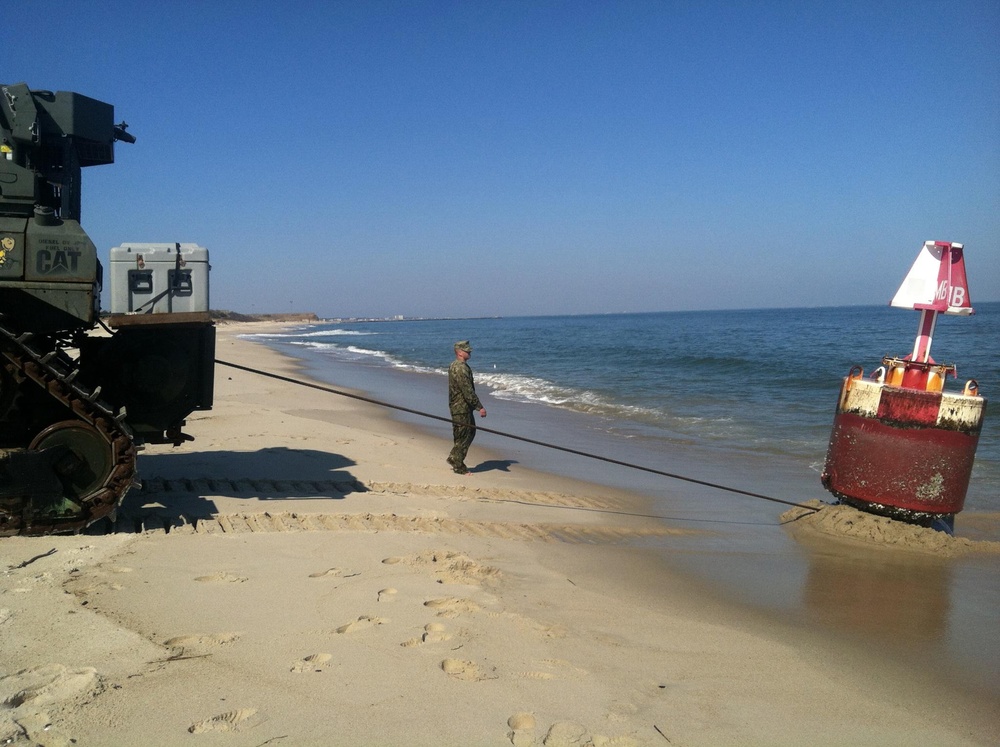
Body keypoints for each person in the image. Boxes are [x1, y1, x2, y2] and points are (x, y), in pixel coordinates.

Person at [447, 340, 487, 474]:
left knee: (463, 434)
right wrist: (479, 407)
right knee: (466, 434)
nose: (469, 352)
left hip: (458, 406)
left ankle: (456, 460)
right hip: (461, 407)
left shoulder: (455, 365)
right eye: (466, 350)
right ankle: (457, 462)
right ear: (459, 352)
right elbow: (467, 390)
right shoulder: (460, 368)